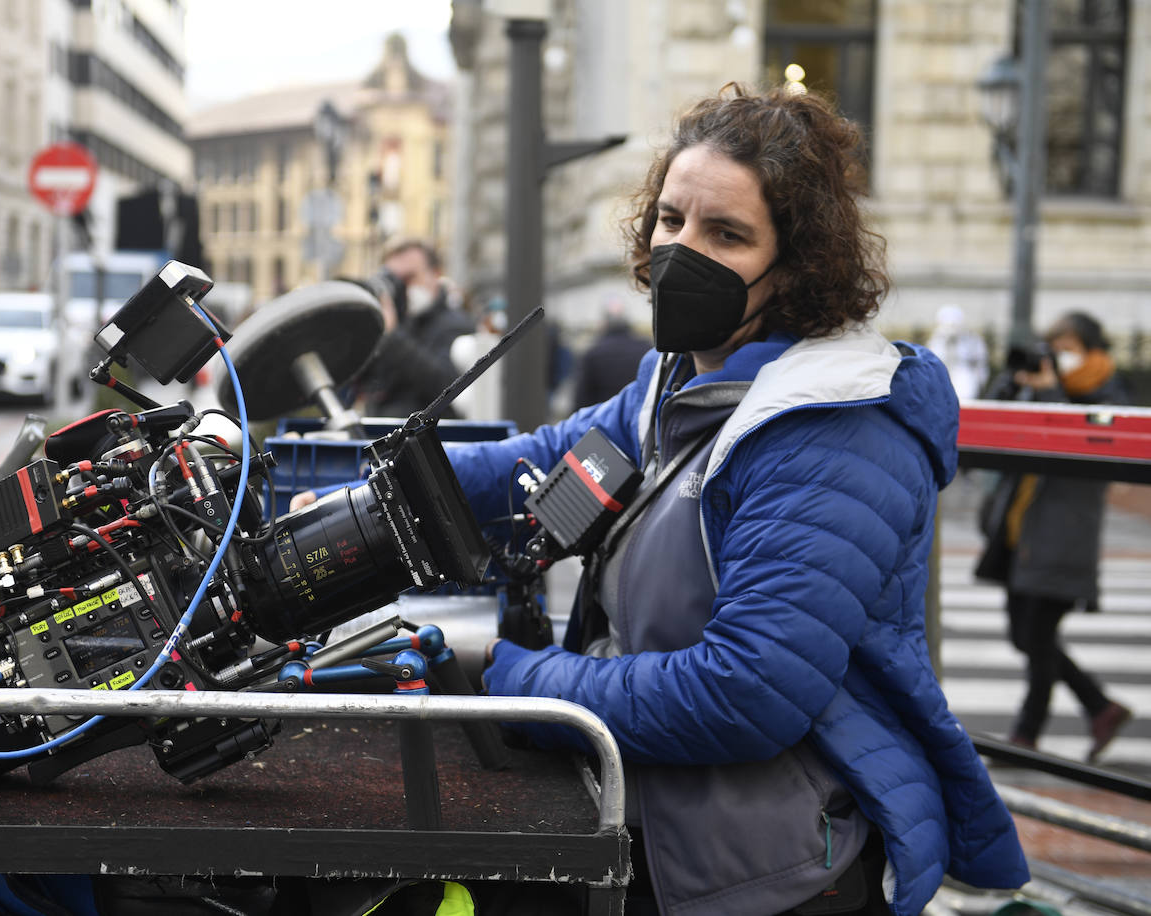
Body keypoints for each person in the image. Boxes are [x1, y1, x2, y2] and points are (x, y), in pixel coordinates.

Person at [435, 84, 1029, 914]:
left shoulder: (831, 430)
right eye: (671, 219)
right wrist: (296, 475)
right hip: (659, 831)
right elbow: (534, 469)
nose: (682, 250)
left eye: (727, 234)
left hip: (764, 874)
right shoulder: (678, 384)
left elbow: (747, 691)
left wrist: (525, 685)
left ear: (794, 267)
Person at [976, 312, 1133, 761]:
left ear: (1090, 347)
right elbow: (996, 418)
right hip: (1020, 528)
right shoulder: (1044, 383)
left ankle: (1025, 738)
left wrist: (1052, 393)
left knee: (1037, 636)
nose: (1058, 355)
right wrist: (1013, 381)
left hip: (1065, 532)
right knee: (1025, 636)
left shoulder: (1109, 387)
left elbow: (1091, 439)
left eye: (1066, 345)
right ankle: (1100, 707)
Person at [351, 238, 474, 418]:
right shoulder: (397, 323)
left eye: (409, 278)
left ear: (436, 274)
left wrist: (392, 335)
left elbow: (447, 386)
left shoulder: (456, 324)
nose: (403, 288)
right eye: (395, 280)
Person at [571, 298, 652, 408]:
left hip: (603, 418)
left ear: (605, 322)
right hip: (637, 416)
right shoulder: (645, 349)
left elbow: (582, 397)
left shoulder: (593, 354)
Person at [926, 304, 990, 400]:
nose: (951, 327)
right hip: (942, 374)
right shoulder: (936, 340)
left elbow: (980, 362)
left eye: (954, 324)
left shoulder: (972, 340)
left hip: (963, 375)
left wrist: (980, 380)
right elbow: (932, 361)